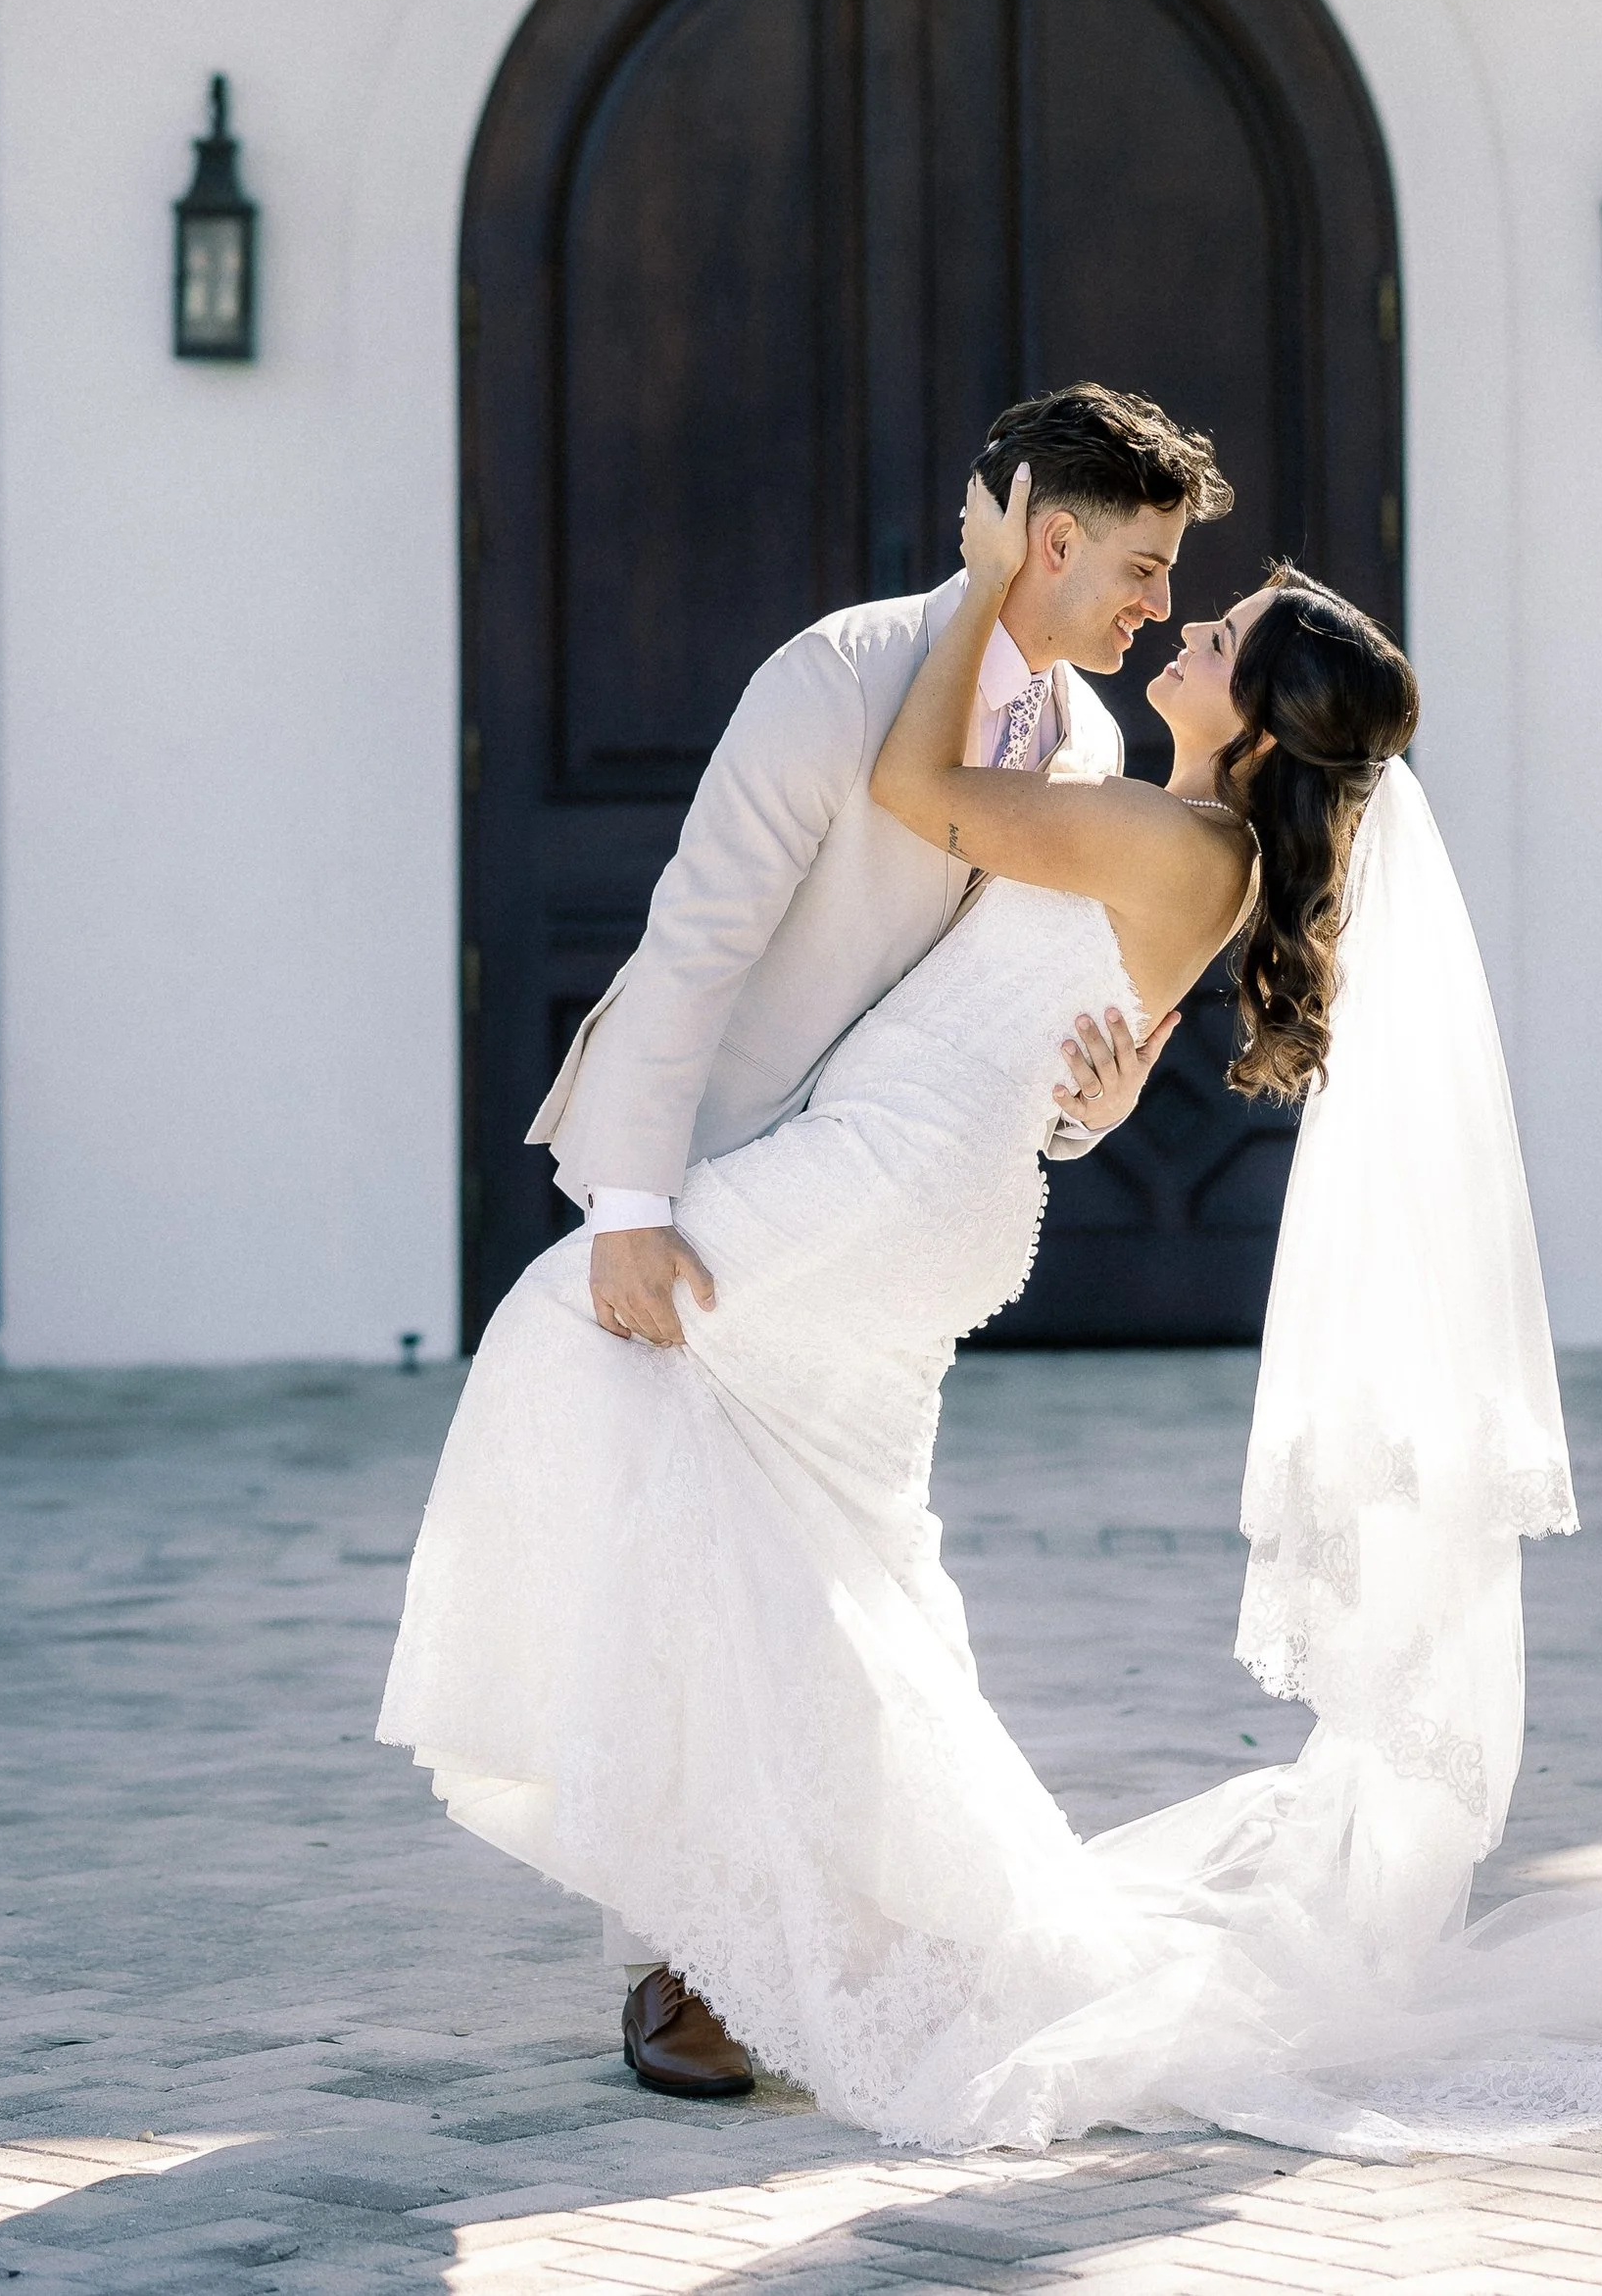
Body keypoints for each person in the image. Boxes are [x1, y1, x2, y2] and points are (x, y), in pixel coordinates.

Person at [381, 464, 1602, 2155]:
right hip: (930, 1178)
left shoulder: (1168, 831)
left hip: (898, 1182)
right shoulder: (1169, 818)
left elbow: (919, 785)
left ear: (1261, 723)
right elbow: (1063, 1034)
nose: (1183, 628)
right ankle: (733, 1921)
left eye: (1217, 633)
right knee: (830, 1540)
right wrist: (1098, 1100)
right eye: (1186, 602)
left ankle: (719, 1905)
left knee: (579, 1320)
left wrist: (993, 576)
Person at [503, 381, 1233, 2089]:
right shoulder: (834, 678)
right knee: (696, 1555)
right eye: (1136, 566)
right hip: (724, 1180)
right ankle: (690, 1953)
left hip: (884, 1221)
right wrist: (631, 1207)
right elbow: (693, 939)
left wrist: (1094, 1107)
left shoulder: (1102, 748)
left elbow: (1030, 1025)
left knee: (847, 1565)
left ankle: (832, 1915)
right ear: (1047, 540)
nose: (1152, 606)